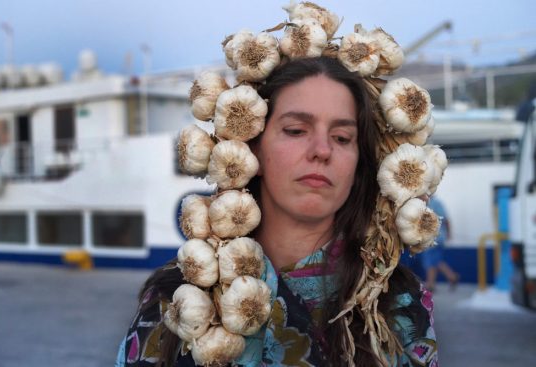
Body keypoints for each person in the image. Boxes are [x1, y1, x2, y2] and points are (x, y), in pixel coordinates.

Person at [116, 56, 438, 367]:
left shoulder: (399, 302)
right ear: (252, 147)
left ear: (358, 166)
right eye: (296, 130)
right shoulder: (175, 299)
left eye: (342, 137)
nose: (322, 151)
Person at [421, 196, 459, 292]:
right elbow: (446, 220)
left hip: (432, 237)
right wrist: (448, 234)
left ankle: (431, 284)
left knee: (430, 260)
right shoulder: (437, 203)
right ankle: (451, 277)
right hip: (440, 237)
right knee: (436, 261)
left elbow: (446, 220)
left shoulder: (427, 203)